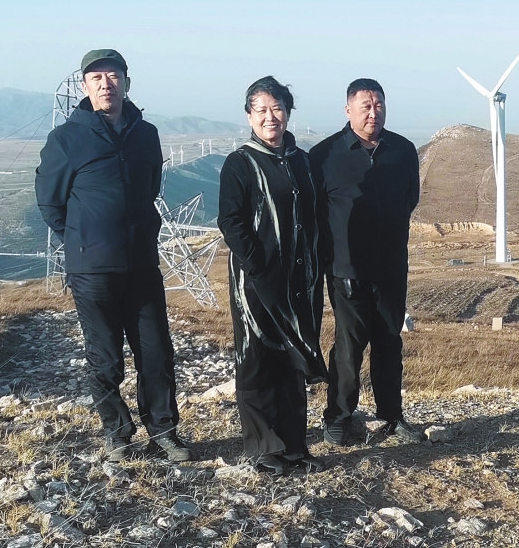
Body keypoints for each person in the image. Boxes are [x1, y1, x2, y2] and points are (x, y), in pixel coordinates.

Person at [35, 49, 191, 462]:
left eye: (114, 76)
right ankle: (117, 433)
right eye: (97, 78)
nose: (106, 84)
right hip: (93, 269)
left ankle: (165, 432)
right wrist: (82, 240)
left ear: (126, 82)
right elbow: (50, 202)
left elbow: (151, 187)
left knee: (156, 353)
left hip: (141, 263)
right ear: (85, 86)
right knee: (105, 357)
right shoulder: (66, 139)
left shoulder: (146, 134)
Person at [217, 77, 327, 475]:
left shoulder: (303, 161)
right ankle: (263, 448)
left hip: (300, 280)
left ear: (288, 112)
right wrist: (259, 266)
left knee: (293, 359)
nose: (270, 117)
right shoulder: (240, 163)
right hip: (256, 282)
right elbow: (231, 221)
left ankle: (295, 447)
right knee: (257, 358)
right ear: (249, 116)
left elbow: (317, 216)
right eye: (261, 109)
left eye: (277, 108)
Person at [310, 78, 425, 446]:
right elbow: (316, 211)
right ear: (348, 110)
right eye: (366, 106)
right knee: (348, 347)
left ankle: (392, 415)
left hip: (391, 266)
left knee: (389, 343)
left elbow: (410, 198)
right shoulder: (324, 154)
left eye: (379, 105)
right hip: (346, 270)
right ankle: (338, 417)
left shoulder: (403, 150)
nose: (373, 113)